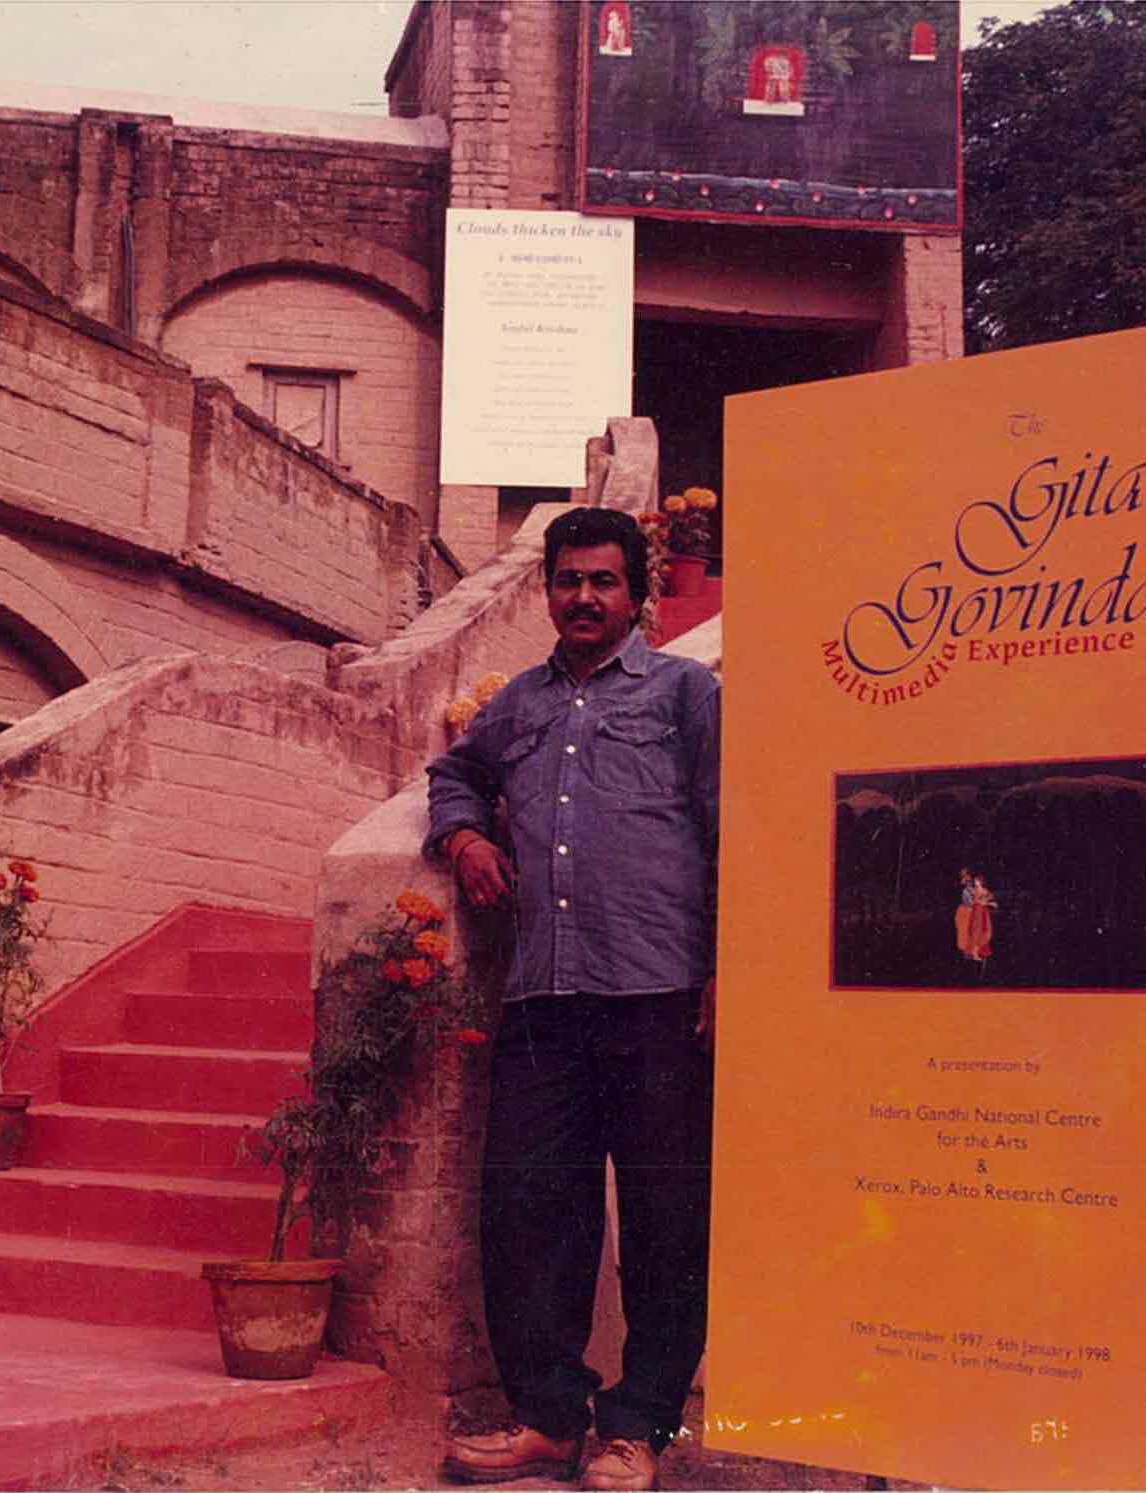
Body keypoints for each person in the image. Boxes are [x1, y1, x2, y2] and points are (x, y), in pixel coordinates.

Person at [428, 506, 719, 1492]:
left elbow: (732, 827)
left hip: (659, 994)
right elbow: (455, 772)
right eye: (568, 580)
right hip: (545, 996)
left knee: (666, 1219)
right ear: (547, 590)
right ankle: (548, 1418)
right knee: (529, 1212)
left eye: (603, 580)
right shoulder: (519, 703)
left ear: (636, 593)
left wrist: (724, 967)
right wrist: (466, 835)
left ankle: (637, 1428)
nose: (584, 597)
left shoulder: (685, 693)